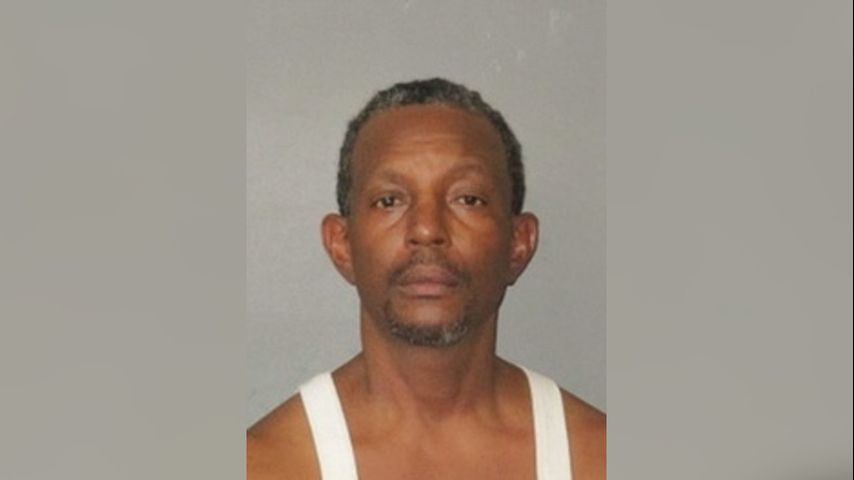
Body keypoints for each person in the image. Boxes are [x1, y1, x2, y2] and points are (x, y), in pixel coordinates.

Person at [247, 78, 605, 479]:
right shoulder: (262, 465)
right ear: (342, 244)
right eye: (389, 201)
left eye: (467, 199)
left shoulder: (601, 458)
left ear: (518, 243)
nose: (427, 228)